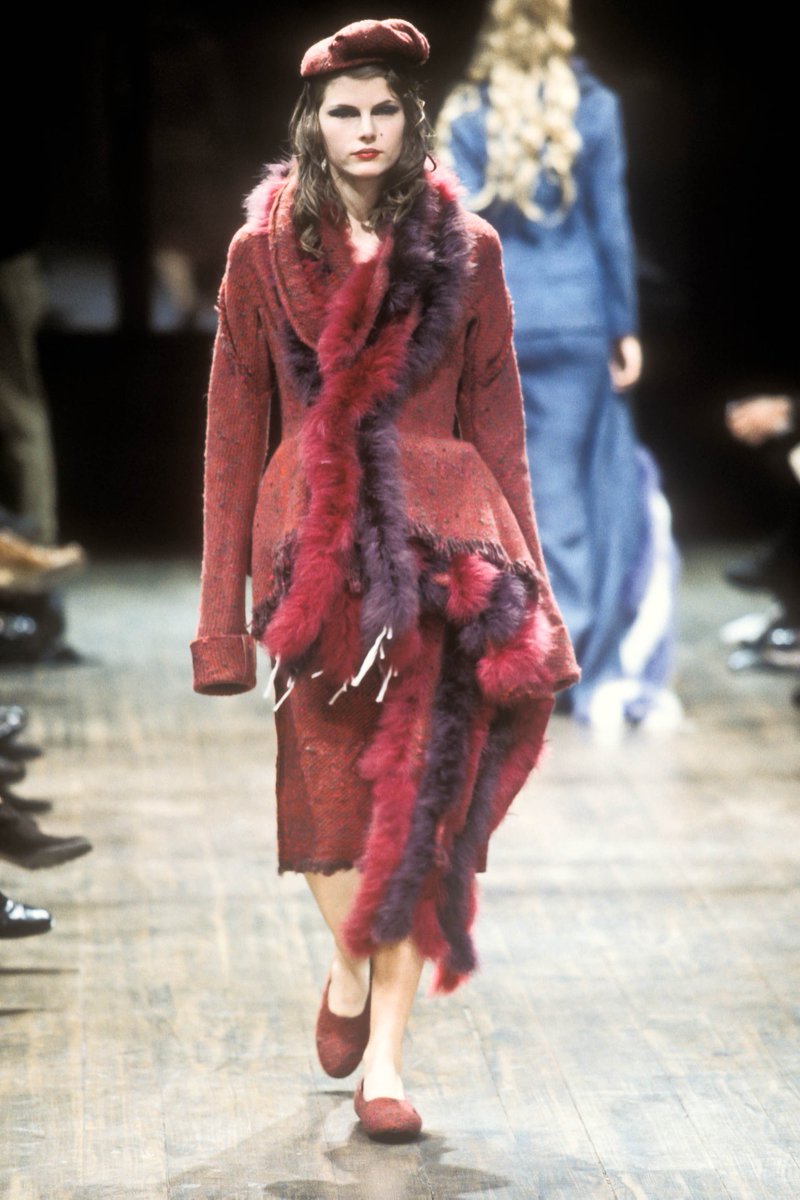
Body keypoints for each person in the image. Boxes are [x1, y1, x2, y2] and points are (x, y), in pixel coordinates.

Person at [191, 18, 578, 1141]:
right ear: (311, 124)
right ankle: (351, 960)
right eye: (343, 111)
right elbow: (231, 437)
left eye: (382, 110)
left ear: (412, 121)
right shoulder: (261, 253)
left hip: (448, 552)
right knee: (325, 804)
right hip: (312, 555)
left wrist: (539, 598)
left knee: (421, 811)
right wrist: (220, 623)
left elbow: (498, 423)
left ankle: (387, 1066)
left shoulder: (472, 251)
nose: (364, 130)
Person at [435, 0, 681, 729]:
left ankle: (514, 656)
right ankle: (561, 660)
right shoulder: (594, 107)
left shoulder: (467, 110)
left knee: (506, 496)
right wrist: (624, 326)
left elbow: (455, 234)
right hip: (576, 320)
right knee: (569, 498)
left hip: (501, 321)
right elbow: (611, 223)